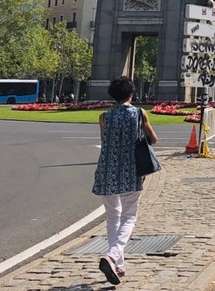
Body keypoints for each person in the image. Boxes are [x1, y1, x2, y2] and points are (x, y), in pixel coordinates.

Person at [92, 76, 158, 285]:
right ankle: (112, 256)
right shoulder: (139, 113)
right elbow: (153, 139)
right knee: (129, 216)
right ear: (132, 94)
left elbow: (105, 139)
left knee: (112, 216)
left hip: (107, 171)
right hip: (131, 171)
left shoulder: (104, 117)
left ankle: (118, 265)